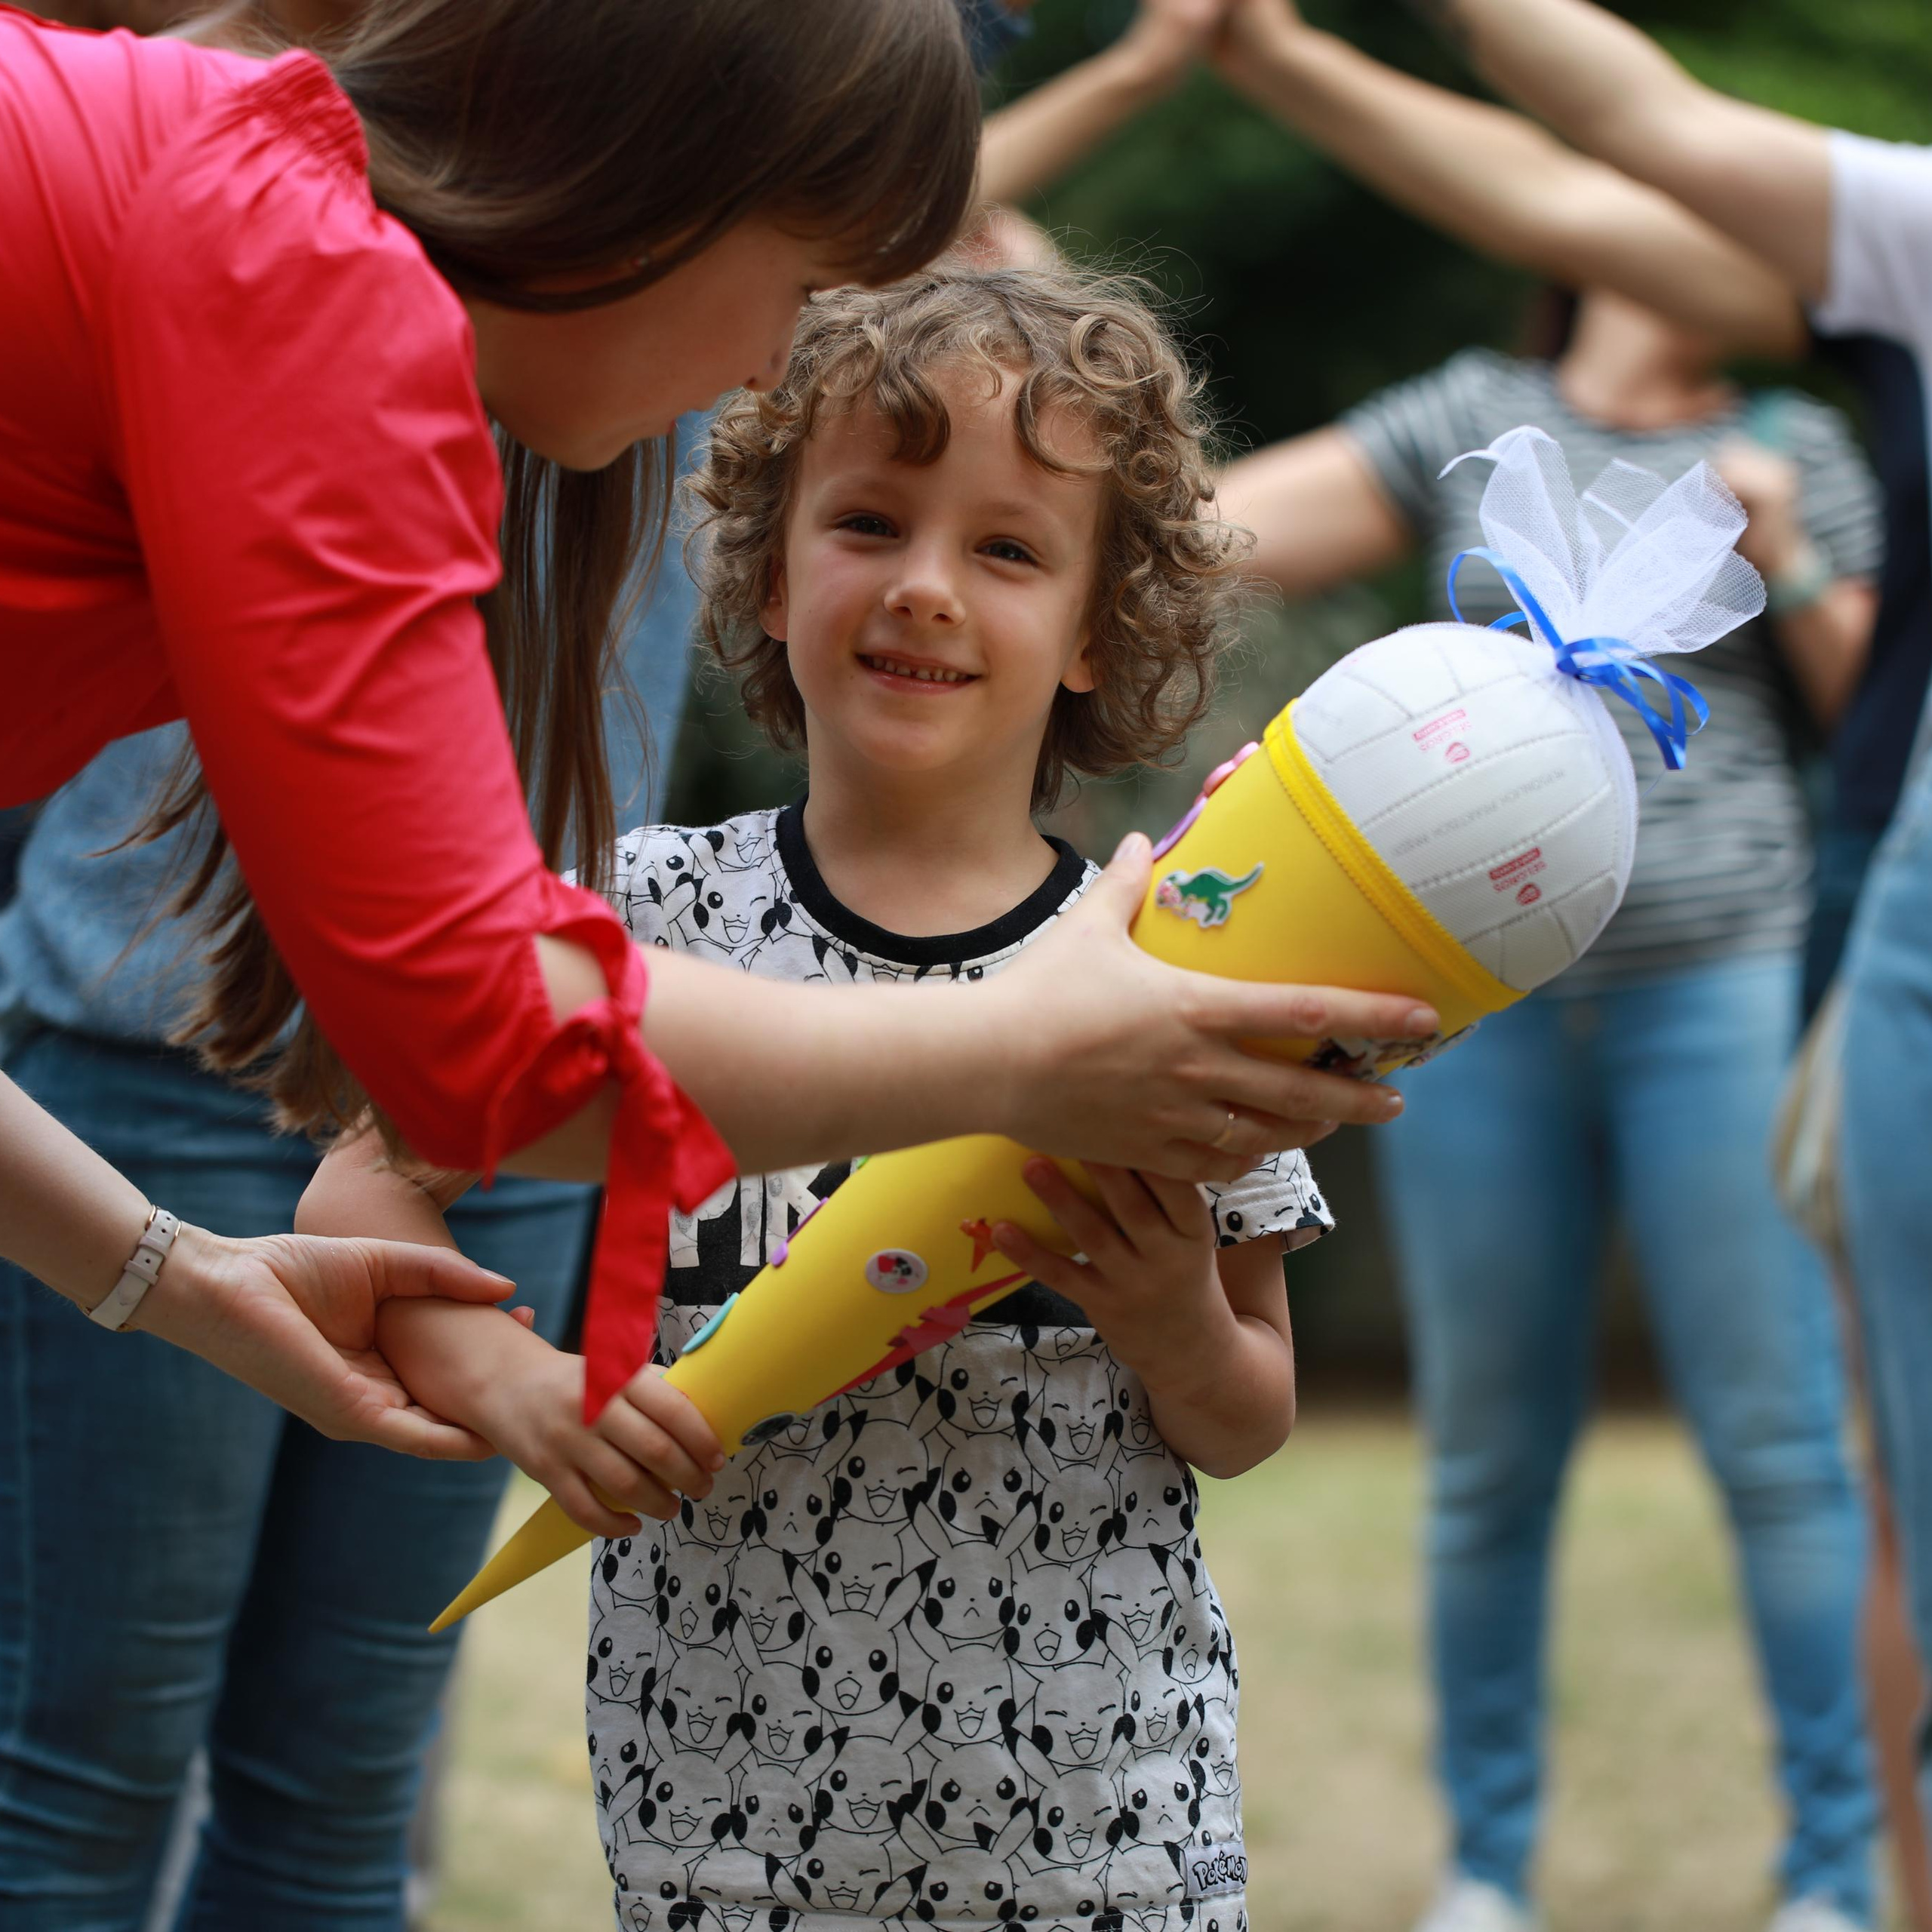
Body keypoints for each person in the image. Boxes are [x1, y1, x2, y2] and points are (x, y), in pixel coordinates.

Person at [0, 2, 1431, 1460]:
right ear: (663, 185)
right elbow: (484, 1046)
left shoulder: (243, 221)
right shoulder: (302, 287)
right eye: (804, 284)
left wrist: (161, 1268)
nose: (765, 368)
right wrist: (1021, 1050)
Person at [300, 260, 1321, 1928]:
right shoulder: (640, 917)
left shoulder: (1166, 965)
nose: (925, 586)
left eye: (1005, 549)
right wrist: (506, 1374)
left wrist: (1171, 1324)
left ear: (1094, 628)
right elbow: (358, 1189)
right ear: (770, 574)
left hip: (1098, 1818)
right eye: (867, 522)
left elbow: (1249, 1409)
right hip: (720, 1808)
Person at [1187, 11, 1887, 1930]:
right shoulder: (1464, 426)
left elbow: (1872, 722)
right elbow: (1208, 534)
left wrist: (1796, 553)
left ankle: (1833, 1865)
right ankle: (1483, 1867)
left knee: (1771, 1440)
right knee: (1486, 1447)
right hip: (1459, 1008)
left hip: (1719, 988)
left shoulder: (1805, 437)